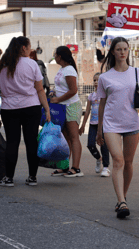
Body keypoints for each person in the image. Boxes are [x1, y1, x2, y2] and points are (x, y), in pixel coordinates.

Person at [96, 37, 139, 219]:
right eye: (118, 49)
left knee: (128, 162)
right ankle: (121, 202)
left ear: (128, 51)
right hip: (111, 124)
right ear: (112, 52)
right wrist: (99, 129)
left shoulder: (138, 73)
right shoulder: (104, 77)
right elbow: (102, 104)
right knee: (117, 160)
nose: (122, 52)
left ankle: (123, 196)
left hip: (132, 123)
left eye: (125, 49)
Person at [0, 36, 51, 187]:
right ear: (24, 48)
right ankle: (32, 177)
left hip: (9, 108)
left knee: (12, 142)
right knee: (31, 141)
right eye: (30, 46)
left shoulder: (2, 64)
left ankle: (9, 178)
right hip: (31, 107)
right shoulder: (32, 64)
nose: (31, 49)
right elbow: (39, 89)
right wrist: (47, 109)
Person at [50, 46, 84, 177]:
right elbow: (61, 86)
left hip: (71, 106)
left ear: (60, 56)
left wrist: (57, 99)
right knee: (65, 138)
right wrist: (54, 92)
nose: (54, 57)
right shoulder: (62, 69)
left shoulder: (69, 69)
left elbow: (73, 90)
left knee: (73, 137)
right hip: (62, 107)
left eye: (55, 54)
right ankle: (64, 167)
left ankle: (76, 168)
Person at [79, 72, 110, 177]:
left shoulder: (106, 95)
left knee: (103, 145)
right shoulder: (91, 96)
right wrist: (83, 125)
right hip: (93, 124)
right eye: (94, 80)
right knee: (90, 144)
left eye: (98, 80)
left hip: (103, 124)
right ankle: (98, 159)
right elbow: (87, 111)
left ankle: (106, 167)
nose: (96, 82)